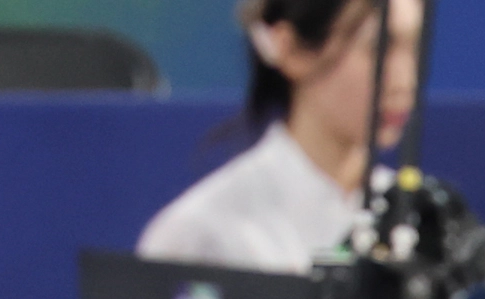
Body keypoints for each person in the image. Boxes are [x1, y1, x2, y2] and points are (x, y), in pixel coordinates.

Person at [136, 0, 423, 275]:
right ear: (292, 49)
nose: (404, 80)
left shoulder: (420, 220)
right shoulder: (204, 234)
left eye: (414, 48)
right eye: (379, 48)